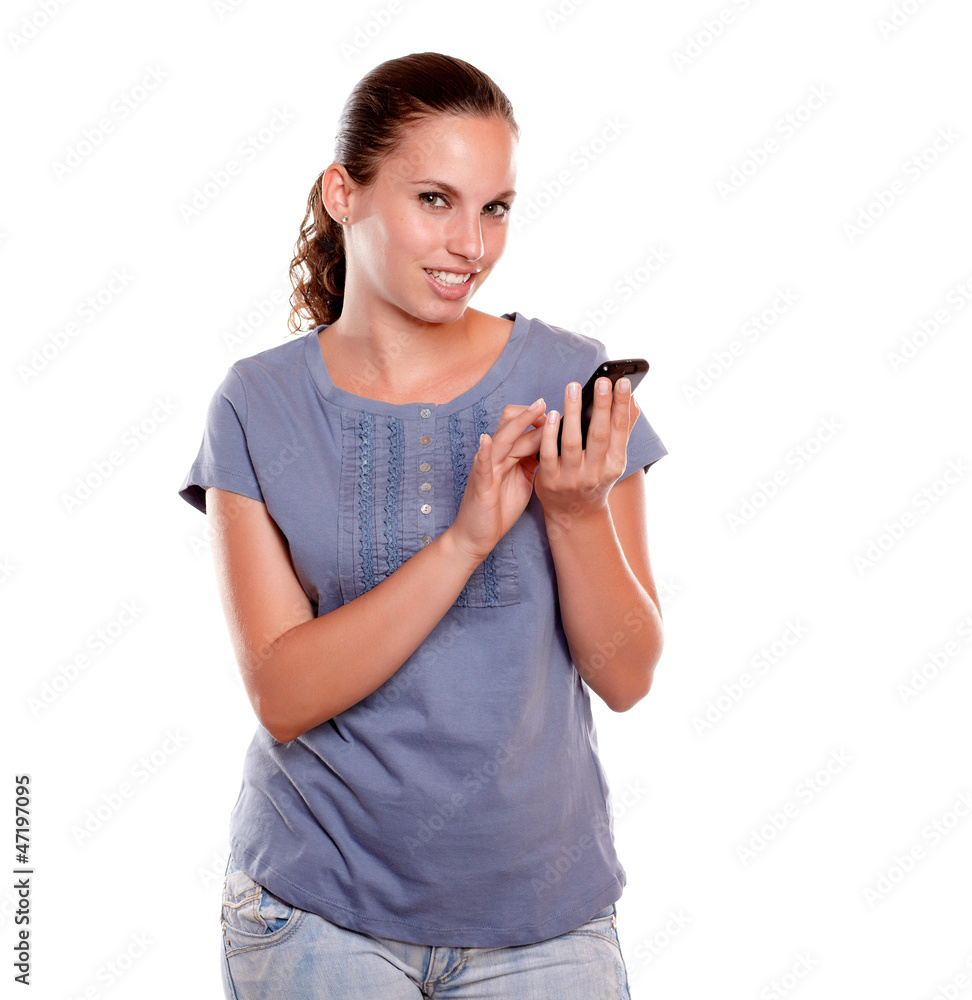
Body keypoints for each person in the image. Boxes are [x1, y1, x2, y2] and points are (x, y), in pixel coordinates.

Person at [178, 51, 667, 1000]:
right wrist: (464, 541)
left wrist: (575, 513)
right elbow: (283, 692)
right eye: (435, 200)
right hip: (315, 912)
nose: (471, 245)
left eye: (496, 208)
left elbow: (628, 676)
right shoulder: (257, 404)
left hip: (547, 922)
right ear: (344, 194)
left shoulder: (570, 379)